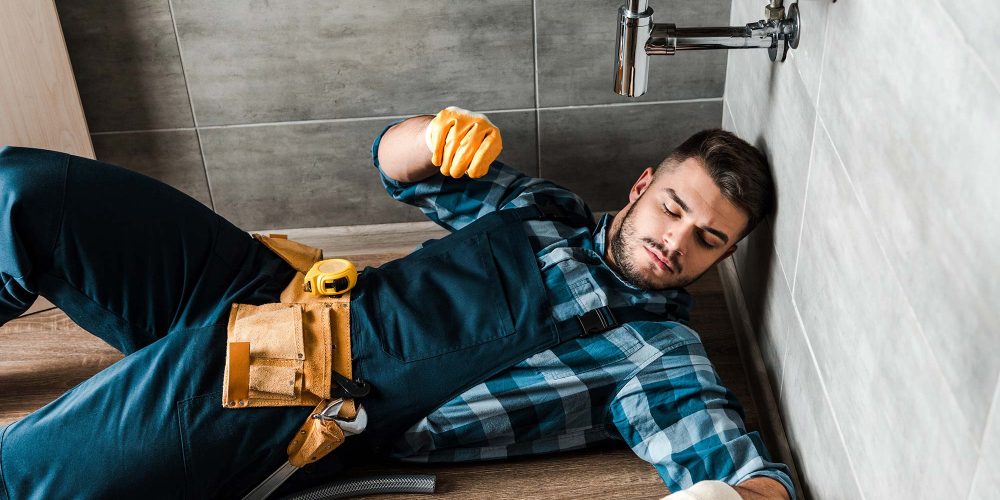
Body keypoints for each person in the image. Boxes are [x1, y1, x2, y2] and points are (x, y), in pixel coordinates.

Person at [0, 106, 793, 500]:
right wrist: (434, 131)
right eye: (675, 208)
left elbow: (746, 471)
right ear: (641, 187)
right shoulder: (544, 210)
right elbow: (397, 164)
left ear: (722, 257)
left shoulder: (656, 352)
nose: (676, 243)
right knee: (23, 193)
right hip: (273, 286)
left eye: (709, 241)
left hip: (296, 383)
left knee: (22, 476)